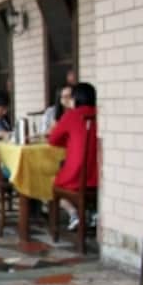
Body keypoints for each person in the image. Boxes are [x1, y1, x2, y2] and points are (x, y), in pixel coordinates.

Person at [48, 82, 98, 230]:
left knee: (54, 184)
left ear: (76, 99)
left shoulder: (71, 115)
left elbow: (53, 140)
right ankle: (93, 213)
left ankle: (74, 213)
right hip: (98, 176)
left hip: (76, 175)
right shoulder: (100, 113)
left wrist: (70, 143)